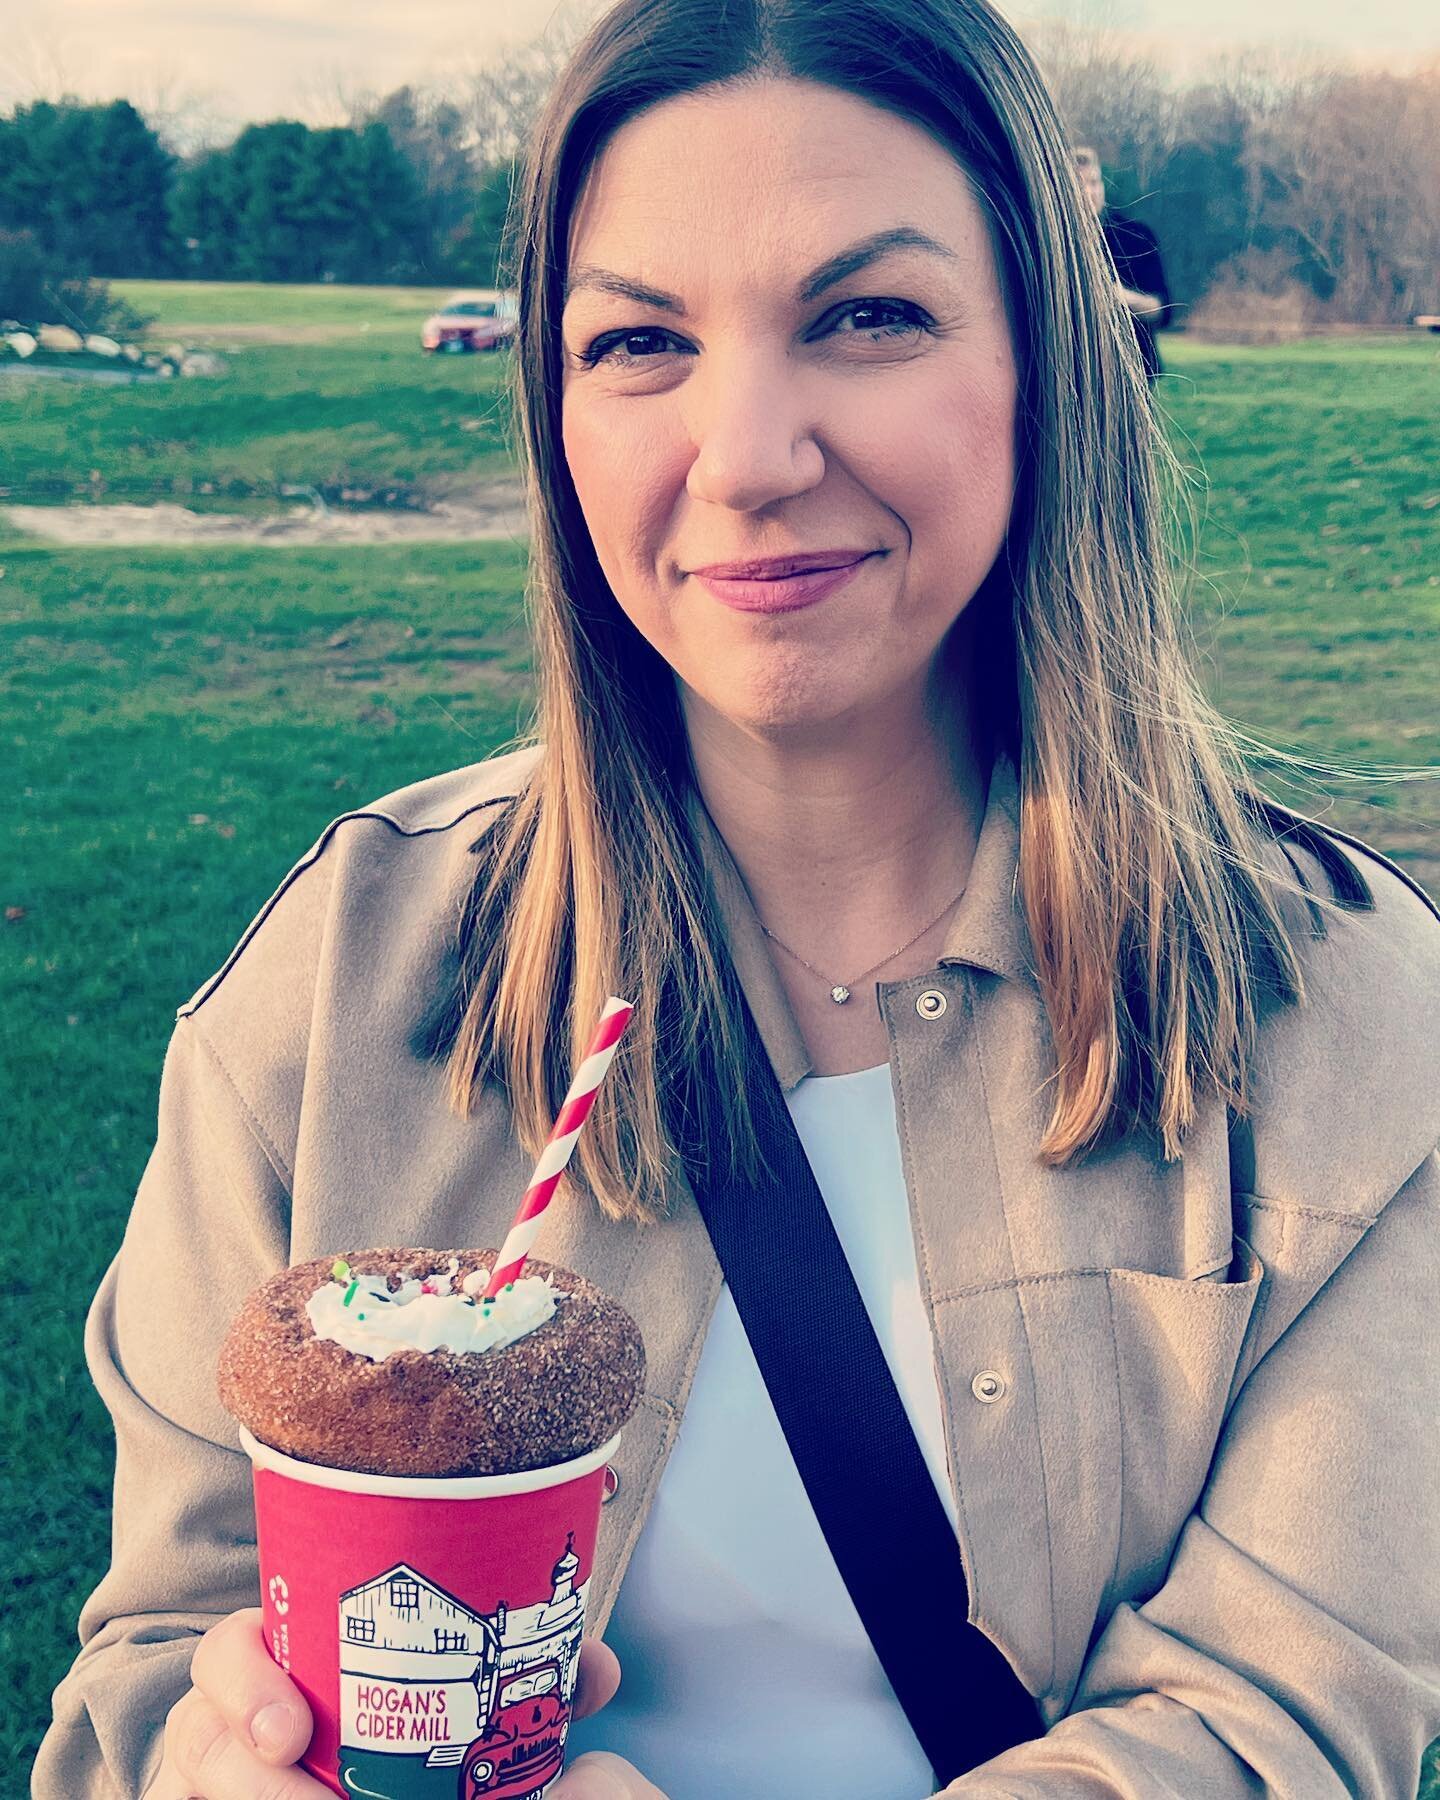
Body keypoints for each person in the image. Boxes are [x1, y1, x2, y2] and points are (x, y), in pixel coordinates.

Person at [33, 0, 1440, 1795]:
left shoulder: (1355, 1024)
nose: (750, 452)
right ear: (557, 411)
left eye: (869, 317)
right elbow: (153, 1663)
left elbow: (1282, 1722)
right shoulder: (334, 988)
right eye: (639, 339)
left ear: (1048, 364)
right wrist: (205, 1763)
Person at [1075, 144, 1173, 381]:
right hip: (1074, 374)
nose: (1091, 192)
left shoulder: (1135, 236)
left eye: (1095, 182)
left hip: (1132, 374)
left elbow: (1163, 310)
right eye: (1080, 185)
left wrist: (1117, 297)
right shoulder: (1049, 243)